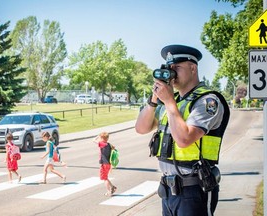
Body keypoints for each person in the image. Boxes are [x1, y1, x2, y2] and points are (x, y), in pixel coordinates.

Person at [135, 44, 230, 216]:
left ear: (193, 68)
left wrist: (170, 102)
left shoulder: (207, 101)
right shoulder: (172, 100)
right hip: (168, 189)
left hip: (194, 189)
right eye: (169, 68)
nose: (172, 73)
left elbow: (184, 139)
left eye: (176, 67)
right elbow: (141, 128)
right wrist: (154, 99)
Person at [93, 132, 117, 196]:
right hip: (108, 163)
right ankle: (112, 187)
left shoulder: (102, 144)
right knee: (105, 177)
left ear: (102, 138)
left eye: (100, 138)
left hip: (104, 164)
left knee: (104, 178)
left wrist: (97, 136)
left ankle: (109, 191)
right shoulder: (109, 144)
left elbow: (93, 140)